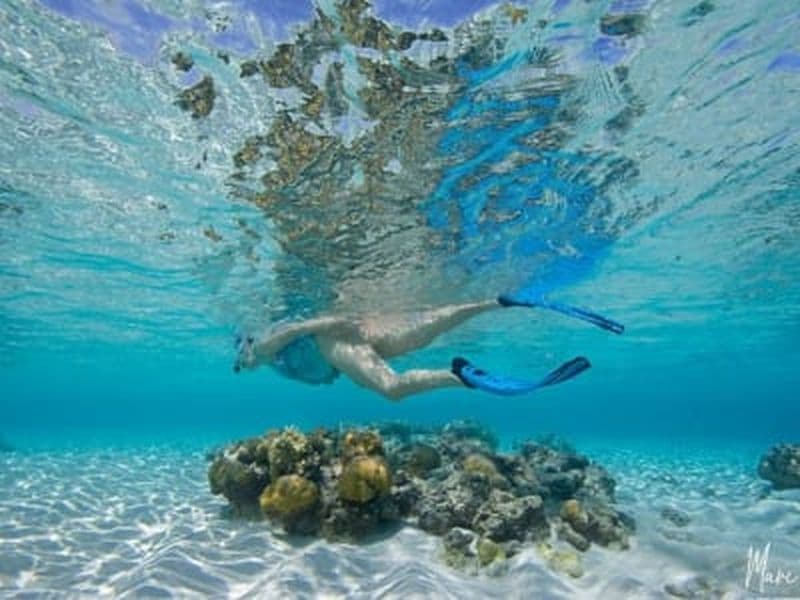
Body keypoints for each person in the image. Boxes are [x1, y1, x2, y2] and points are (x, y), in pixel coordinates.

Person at [233, 293, 624, 401]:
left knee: (392, 389)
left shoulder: (265, 348)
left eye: (240, 356)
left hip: (335, 340)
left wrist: (334, 322)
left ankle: (459, 376)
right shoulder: (271, 360)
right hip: (341, 344)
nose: (241, 364)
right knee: (418, 336)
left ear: (246, 345)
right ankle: (498, 301)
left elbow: (300, 327)